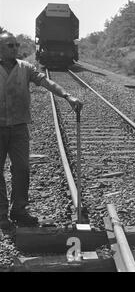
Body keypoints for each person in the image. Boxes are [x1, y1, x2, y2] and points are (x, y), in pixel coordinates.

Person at [0, 32, 83, 230]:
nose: (15, 48)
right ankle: (1, 214)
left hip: (19, 126)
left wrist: (68, 96)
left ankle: (19, 210)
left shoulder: (25, 68)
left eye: (16, 45)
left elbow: (46, 82)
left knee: (22, 169)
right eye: (10, 45)